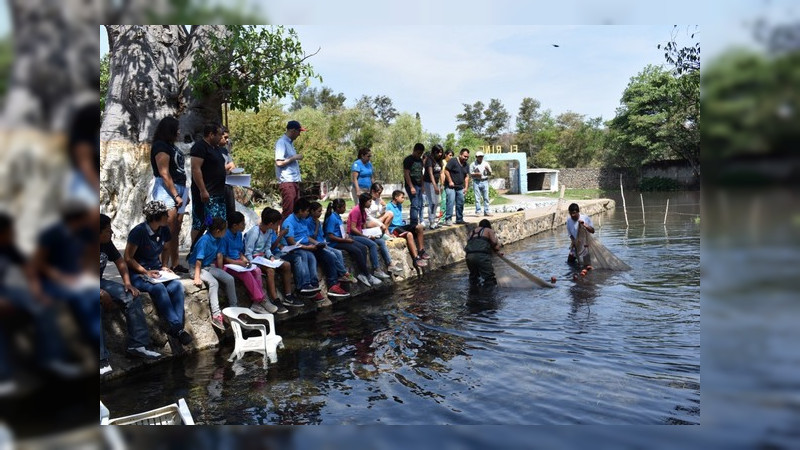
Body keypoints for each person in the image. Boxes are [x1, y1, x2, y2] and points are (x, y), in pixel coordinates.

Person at [0, 213, 81, 393]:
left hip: (11, 293)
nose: (13, 234)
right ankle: (3, 376)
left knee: (46, 307)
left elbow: (28, 269)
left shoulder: (9, 247)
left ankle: (51, 359)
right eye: (9, 232)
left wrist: (37, 290)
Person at [125, 201, 192, 346]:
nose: (168, 216)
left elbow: (166, 248)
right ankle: (177, 328)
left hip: (156, 271)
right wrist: (145, 272)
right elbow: (128, 258)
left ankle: (177, 329)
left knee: (177, 286)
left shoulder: (164, 229)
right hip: (138, 273)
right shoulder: (139, 232)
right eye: (165, 214)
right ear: (156, 217)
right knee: (159, 289)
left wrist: (164, 265)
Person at [100, 214, 160, 375]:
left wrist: (127, 283)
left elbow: (120, 261)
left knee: (131, 296)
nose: (111, 232)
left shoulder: (106, 243)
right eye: (107, 230)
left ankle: (137, 345)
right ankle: (100, 358)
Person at [221, 211, 287, 315]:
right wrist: (239, 263)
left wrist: (244, 260)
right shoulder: (224, 236)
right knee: (246, 274)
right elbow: (224, 257)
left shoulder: (239, 234)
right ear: (235, 225)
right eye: (242, 223)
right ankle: (261, 299)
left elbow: (240, 252)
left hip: (239, 262)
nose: (245, 225)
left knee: (256, 270)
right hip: (229, 264)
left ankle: (256, 303)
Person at [149, 116, 190, 274]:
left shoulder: (172, 146)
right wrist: (176, 195)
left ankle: (175, 263)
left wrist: (184, 194)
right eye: (177, 129)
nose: (179, 131)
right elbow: (164, 173)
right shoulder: (160, 146)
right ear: (169, 129)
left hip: (181, 189)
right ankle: (162, 265)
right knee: (167, 228)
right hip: (167, 190)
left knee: (176, 228)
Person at [243, 207, 303, 308]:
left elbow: (267, 248)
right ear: (271, 224)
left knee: (286, 265)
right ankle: (275, 299)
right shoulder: (255, 232)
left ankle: (288, 295)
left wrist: (271, 257)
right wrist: (253, 263)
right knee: (270, 271)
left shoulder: (270, 231)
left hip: (264, 257)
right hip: (254, 259)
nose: (278, 226)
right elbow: (248, 252)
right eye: (277, 224)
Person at [281, 198, 336, 307]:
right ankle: (303, 285)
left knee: (312, 256)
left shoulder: (303, 220)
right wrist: (307, 248)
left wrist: (316, 243)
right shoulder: (289, 222)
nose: (308, 213)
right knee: (304, 255)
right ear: (300, 211)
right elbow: (291, 241)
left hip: (305, 245)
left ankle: (313, 286)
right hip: (292, 248)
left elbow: (306, 237)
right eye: (307, 211)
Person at [188, 217, 238, 330]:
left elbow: (219, 256)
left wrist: (221, 272)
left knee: (230, 279)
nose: (226, 232)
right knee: (214, 283)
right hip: (196, 268)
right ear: (217, 231)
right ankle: (216, 315)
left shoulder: (219, 239)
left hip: (208, 266)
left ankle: (234, 308)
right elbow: (198, 261)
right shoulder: (204, 240)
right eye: (225, 230)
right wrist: (196, 277)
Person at [323, 199, 381, 287]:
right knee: (356, 251)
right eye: (344, 207)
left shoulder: (337, 217)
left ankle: (362, 273)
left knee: (362, 247)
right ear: (338, 208)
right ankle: (367, 275)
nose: (345, 209)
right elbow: (330, 236)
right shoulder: (332, 218)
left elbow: (339, 231)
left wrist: (346, 236)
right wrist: (346, 240)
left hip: (341, 239)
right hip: (334, 243)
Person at [348, 193, 403, 278]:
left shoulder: (363, 210)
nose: (371, 203)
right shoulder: (356, 211)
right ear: (364, 202)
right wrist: (365, 236)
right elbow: (353, 228)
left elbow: (363, 226)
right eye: (369, 201)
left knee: (381, 241)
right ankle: (376, 269)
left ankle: (390, 264)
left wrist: (369, 233)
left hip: (362, 233)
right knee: (372, 244)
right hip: (354, 235)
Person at [190, 123, 225, 250]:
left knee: (217, 224)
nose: (221, 137)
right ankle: (196, 252)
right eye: (220, 134)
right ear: (211, 135)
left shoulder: (215, 148)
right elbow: (196, 169)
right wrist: (203, 190)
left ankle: (213, 253)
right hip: (206, 195)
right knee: (202, 223)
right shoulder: (199, 147)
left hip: (218, 194)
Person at [307, 201, 357, 287]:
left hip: (323, 243)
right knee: (332, 254)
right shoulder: (308, 222)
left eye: (321, 211)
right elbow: (309, 237)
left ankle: (342, 274)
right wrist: (318, 240)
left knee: (339, 252)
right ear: (312, 211)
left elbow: (321, 235)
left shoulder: (318, 221)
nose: (320, 213)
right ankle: (345, 273)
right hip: (315, 245)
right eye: (319, 211)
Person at [384, 190, 429, 268]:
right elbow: (387, 220)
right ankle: (416, 259)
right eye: (402, 197)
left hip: (402, 226)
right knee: (409, 234)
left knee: (419, 227)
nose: (404, 199)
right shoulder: (388, 206)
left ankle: (421, 251)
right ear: (396, 197)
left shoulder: (399, 205)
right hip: (395, 228)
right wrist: (387, 232)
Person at [275, 120, 306, 220]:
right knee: (288, 211)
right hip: (287, 181)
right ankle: (284, 234)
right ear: (292, 130)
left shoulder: (290, 144)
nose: (299, 135)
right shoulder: (281, 142)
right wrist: (294, 157)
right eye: (299, 132)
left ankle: (293, 234)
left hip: (294, 181)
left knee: (296, 211)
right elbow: (279, 162)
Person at [464, 219, 503, 287]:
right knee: (489, 279)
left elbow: (471, 244)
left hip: (469, 256)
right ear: (488, 225)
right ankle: (489, 296)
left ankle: (472, 294)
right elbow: (494, 242)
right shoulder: (488, 230)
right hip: (482, 256)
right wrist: (497, 248)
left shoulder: (472, 232)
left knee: (474, 277)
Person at [443, 148, 470, 226]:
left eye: (467, 157)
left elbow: (466, 176)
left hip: (460, 187)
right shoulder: (453, 161)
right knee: (450, 202)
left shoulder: (466, 165)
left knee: (460, 203)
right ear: (460, 155)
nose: (466, 158)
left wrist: (466, 187)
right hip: (450, 186)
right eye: (465, 156)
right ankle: (448, 219)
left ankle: (459, 219)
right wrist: (450, 181)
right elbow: (446, 171)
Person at [403, 143, 425, 227]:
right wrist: (411, 186)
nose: (419, 155)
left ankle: (418, 220)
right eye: (418, 153)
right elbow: (406, 174)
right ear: (414, 150)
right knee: (415, 204)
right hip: (411, 185)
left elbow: (421, 173)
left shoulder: (420, 161)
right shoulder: (408, 160)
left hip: (419, 185)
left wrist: (422, 186)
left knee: (420, 204)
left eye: (421, 153)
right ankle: (413, 223)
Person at [218, 126, 238, 221]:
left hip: (228, 185)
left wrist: (230, 168)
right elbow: (212, 170)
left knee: (230, 213)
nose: (227, 141)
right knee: (213, 217)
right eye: (225, 137)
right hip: (215, 188)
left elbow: (231, 165)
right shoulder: (209, 150)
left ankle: (227, 234)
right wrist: (226, 167)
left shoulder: (225, 151)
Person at [423, 145, 444, 229]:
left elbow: (440, 173)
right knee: (432, 202)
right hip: (429, 183)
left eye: (441, 152)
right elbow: (430, 173)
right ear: (434, 152)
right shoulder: (429, 160)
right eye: (438, 152)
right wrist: (435, 186)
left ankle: (433, 220)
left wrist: (441, 185)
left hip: (436, 183)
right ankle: (431, 221)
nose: (440, 154)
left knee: (436, 202)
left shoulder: (440, 161)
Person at [469, 151, 493, 217]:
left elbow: (490, 173)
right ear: (476, 157)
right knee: (477, 198)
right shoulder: (473, 164)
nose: (480, 158)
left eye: (481, 156)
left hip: (485, 181)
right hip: (476, 181)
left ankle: (487, 211)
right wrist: (476, 174)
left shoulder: (486, 163)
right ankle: (478, 211)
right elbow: (470, 174)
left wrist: (488, 170)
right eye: (479, 156)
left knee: (486, 197)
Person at [439, 149, 454, 221]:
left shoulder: (451, 163)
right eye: (450, 155)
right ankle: (442, 218)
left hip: (449, 185)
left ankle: (447, 218)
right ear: (446, 155)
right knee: (443, 202)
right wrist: (442, 184)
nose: (451, 157)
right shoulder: (443, 162)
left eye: (452, 156)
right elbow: (442, 173)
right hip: (443, 185)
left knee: (449, 202)